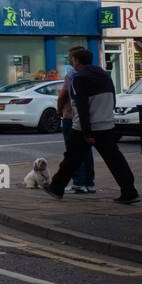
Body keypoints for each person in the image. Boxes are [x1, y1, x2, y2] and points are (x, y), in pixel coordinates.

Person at [44, 47, 137, 204]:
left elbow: (82, 106)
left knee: (71, 158)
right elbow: (112, 99)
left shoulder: (79, 78)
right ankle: (129, 191)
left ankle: (56, 187)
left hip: (85, 127)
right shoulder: (104, 75)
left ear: (76, 60)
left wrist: (87, 132)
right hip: (106, 124)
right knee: (115, 160)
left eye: (71, 59)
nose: (70, 61)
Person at [56, 64, 95, 193]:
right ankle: (89, 183)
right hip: (88, 117)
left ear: (76, 59)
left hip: (71, 115)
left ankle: (78, 183)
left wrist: (59, 109)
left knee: (72, 152)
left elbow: (63, 94)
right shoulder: (93, 74)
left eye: (71, 57)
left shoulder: (72, 74)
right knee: (86, 151)